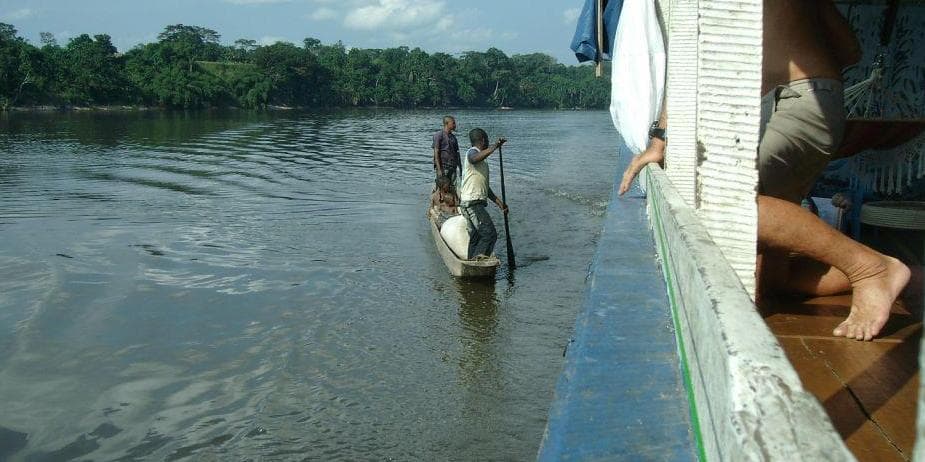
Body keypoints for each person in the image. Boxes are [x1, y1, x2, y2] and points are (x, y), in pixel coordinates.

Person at [618, 0, 910, 341]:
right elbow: (849, 49)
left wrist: (660, 138)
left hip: (791, 102)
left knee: (721, 206)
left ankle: (872, 269)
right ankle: (902, 272)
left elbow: (690, 57)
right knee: (775, 280)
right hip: (819, 96)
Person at [459, 128, 508, 260]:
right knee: (489, 234)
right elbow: (473, 159)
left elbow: (484, 186)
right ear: (482, 140)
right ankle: (477, 263)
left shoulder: (481, 161)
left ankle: (471, 261)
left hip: (471, 201)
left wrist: (499, 203)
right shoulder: (472, 152)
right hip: (472, 203)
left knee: (476, 236)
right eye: (487, 140)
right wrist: (495, 147)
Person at [433, 115, 461, 184]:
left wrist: (460, 167)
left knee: (452, 188)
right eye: (453, 123)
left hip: (453, 167)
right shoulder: (439, 135)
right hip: (443, 167)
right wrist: (439, 170)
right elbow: (436, 153)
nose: (455, 125)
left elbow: (457, 153)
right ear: (446, 124)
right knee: (442, 188)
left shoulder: (453, 137)